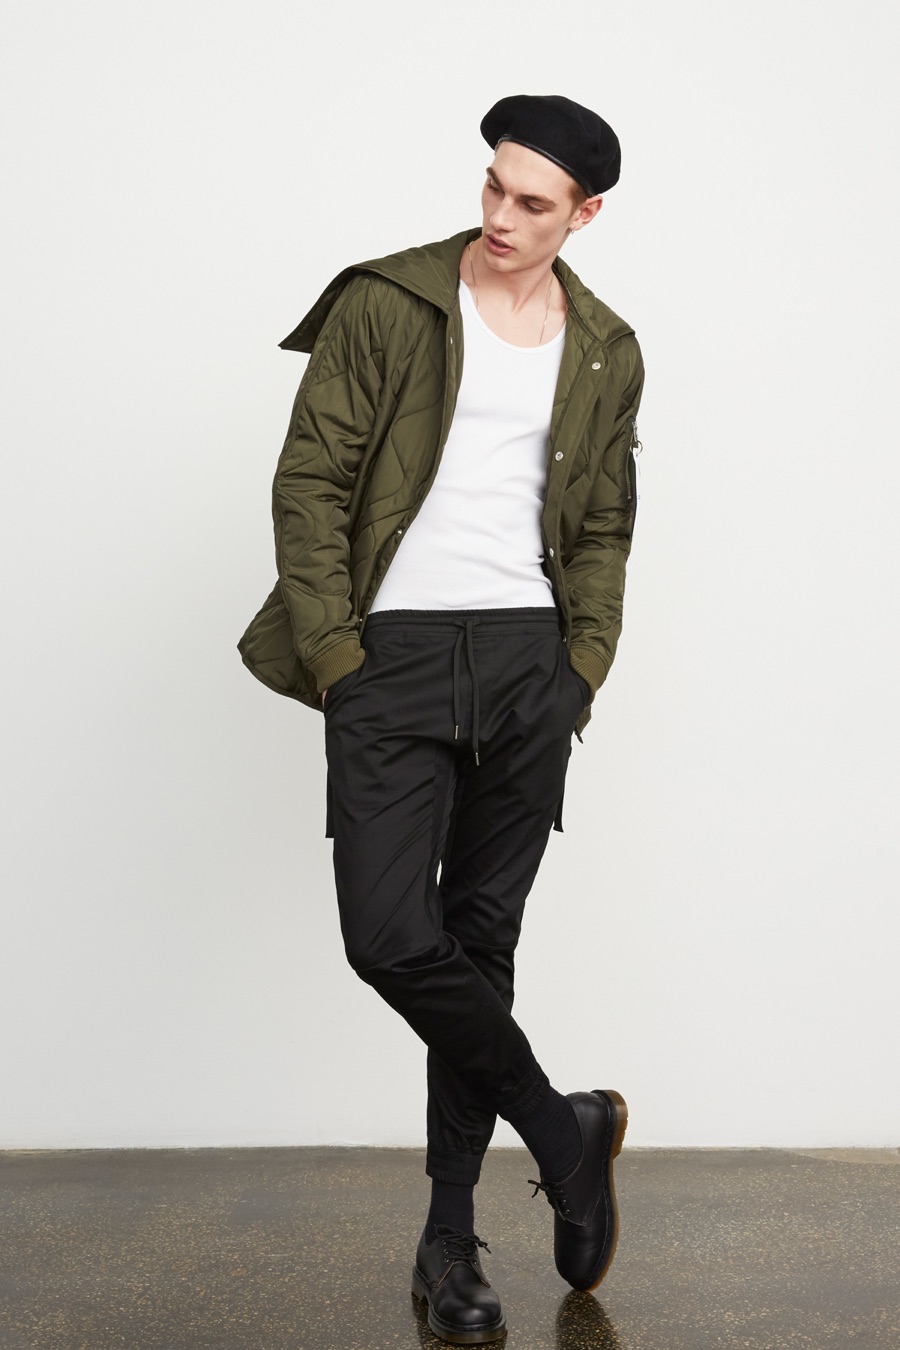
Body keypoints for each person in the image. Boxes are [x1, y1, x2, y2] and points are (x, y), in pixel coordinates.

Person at [239, 93, 645, 1345]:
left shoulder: (607, 346)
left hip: (528, 662)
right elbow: (310, 481)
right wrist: (337, 657)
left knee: (478, 941)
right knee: (390, 938)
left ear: (584, 214)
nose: (502, 216)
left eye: (534, 202)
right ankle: (563, 1131)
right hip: (392, 659)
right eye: (493, 187)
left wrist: (582, 666)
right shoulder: (390, 302)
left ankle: (451, 1240)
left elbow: (606, 520)